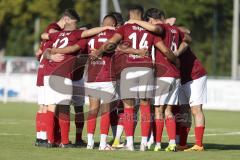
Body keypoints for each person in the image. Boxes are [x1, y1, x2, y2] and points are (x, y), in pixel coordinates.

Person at [92, 4, 179, 151]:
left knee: (128, 108)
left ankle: (130, 144)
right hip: (146, 69)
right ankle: (144, 144)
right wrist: (176, 61)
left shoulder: (124, 28)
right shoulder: (149, 29)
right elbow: (164, 49)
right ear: (141, 14)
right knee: (145, 107)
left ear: (130, 14)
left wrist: (98, 52)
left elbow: (111, 43)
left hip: (129, 70)